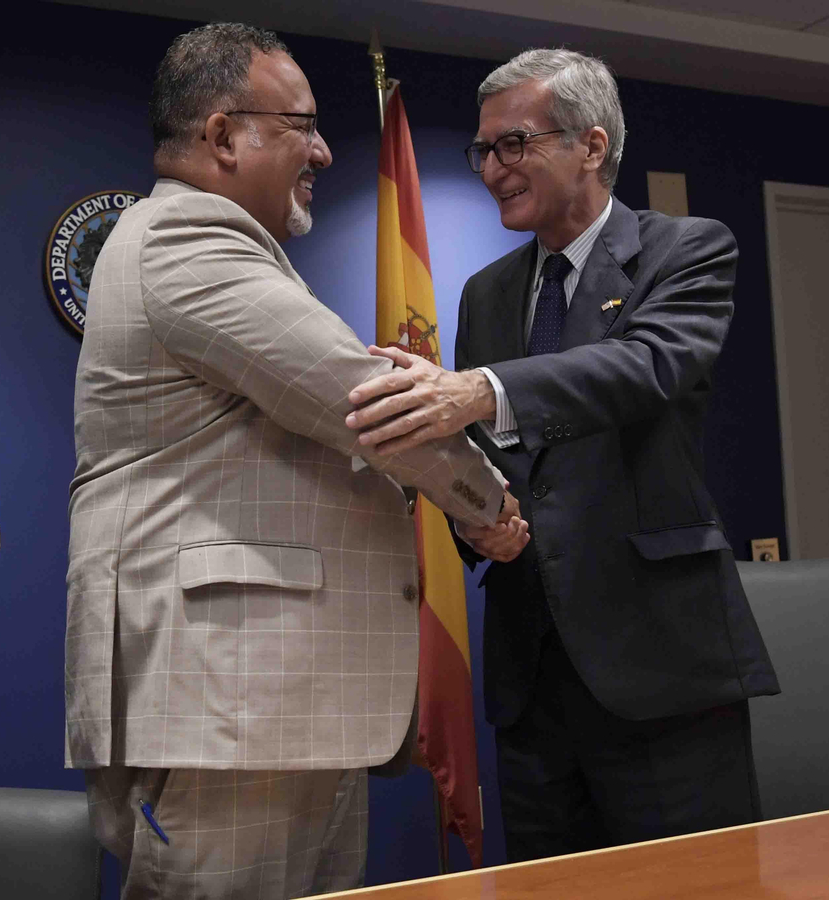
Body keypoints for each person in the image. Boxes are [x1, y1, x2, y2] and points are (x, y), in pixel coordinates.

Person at [64, 23, 518, 899]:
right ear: (224, 135)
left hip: (275, 706)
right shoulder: (184, 241)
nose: (320, 148)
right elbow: (360, 400)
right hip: (231, 704)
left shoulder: (215, 246)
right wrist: (487, 503)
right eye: (300, 124)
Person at [344, 48, 778, 860]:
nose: (493, 169)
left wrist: (476, 389)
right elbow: (490, 453)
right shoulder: (488, 293)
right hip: (532, 682)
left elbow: (646, 366)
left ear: (592, 144)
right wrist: (478, 516)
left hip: (661, 675)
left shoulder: (684, 250)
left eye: (516, 144)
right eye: (484, 150)